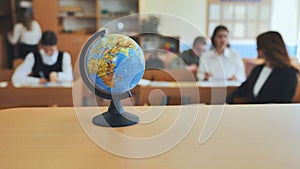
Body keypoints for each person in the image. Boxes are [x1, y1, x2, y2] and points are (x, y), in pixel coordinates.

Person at [226, 31, 298, 104]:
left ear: (268, 48)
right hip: (252, 112)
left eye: (259, 47)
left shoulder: (288, 74)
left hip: (273, 114)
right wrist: (226, 101)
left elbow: (284, 102)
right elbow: (243, 89)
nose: (256, 50)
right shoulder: (258, 69)